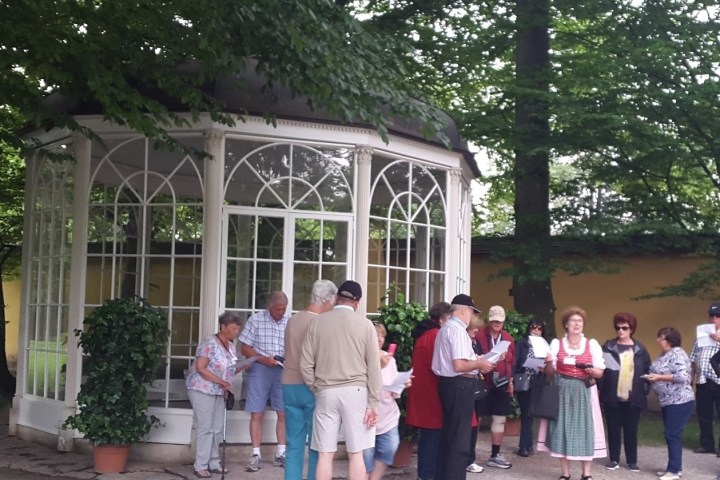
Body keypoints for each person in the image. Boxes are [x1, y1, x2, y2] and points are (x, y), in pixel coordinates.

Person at [299, 280, 382, 480]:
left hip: (326, 391)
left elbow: (305, 364)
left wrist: (315, 386)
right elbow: (374, 367)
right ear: (358, 302)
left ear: (337, 298)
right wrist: (373, 402)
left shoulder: (317, 322)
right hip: (356, 392)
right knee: (356, 454)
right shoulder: (365, 325)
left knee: (325, 454)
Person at [536, 306, 606, 480]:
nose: (577, 324)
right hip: (562, 389)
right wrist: (549, 363)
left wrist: (591, 371)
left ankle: (586, 474)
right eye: (573, 321)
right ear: (566, 324)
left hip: (584, 390)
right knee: (561, 428)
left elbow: (600, 372)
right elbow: (550, 373)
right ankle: (565, 473)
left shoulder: (591, 344)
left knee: (585, 429)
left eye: (580, 321)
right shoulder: (557, 344)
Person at [431, 294, 494, 480]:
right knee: (459, 440)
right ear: (465, 310)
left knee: (450, 436)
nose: (471, 316)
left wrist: (477, 361)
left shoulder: (445, 328)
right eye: (472, 312)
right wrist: (480, 364)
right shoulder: (458, 330)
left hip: (448, 384)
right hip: (460, 385)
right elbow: (459, 365)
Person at [282, 280, 337, 480]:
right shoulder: (319, 323)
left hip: (288, 383)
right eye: (333, 301)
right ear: (328, 299)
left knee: (294, 444)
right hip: (311, 386)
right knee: (317, 444)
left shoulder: (292, 320)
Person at [186, 312, 249, 479]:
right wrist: (221, 382)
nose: (237, 332)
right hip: (201, 388)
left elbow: (229, 369)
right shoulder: (209, 342)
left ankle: (213, 462)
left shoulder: (230, 346)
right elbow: (201, 368)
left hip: (219, 390)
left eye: (238, 329)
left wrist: (246, 364)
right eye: (234, 328)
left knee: (217, 428)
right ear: (223, 326)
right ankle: (200, 466)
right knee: (205, 427)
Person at [239, 291, 291, 472]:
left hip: (282, 370)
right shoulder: (256, 319)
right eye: (278, 309)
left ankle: (281, 453)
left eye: (284, 309)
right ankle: (255, 455)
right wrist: (262, 359)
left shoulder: (289, 321)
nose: (281, 312)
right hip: (260, 369)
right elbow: (244, 347)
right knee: (257, 412)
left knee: (283, 412)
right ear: (269, 306)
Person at [599, 312, 651, 472]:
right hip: (612, 396)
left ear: (632, 329)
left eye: (624, 328)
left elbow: (648, 371)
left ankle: (632, 461)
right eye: (617, 328)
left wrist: (644, 390)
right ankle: (614, 459)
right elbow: (601, 370)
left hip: (633, 397)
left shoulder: (640, 349)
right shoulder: (608, 347)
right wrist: (603, 389)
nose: (620, 331)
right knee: (613, 429)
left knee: (631, 430)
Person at [405, 301, 452, 480]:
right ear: (441, 319)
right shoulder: (436, 336)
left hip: (423, 391)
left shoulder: (424, 335)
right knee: (433, 438)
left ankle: (424, 474)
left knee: (428, 436)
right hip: (434, 392)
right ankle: (427, 475)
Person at [645, 327, 695, 480]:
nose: (658, 340)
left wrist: (659, 378)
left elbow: (683, 377)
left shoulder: (677, 353)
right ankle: (675, 468)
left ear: (670, 341)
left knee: (672, 434)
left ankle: (673, 471)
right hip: (668, 401)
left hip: (680, 400)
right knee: (672, 435)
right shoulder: (664, 355)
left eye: (661, 338)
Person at [363, 322, 411, 480]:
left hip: (388, 413)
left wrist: (402, 384)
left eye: (382, 335)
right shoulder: (361, 357)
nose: (379, 339)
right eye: (376, 335)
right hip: (367, 414)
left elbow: (393, 386)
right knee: (365, 456)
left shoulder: (389, 359)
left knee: (389, 448)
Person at [474, 305, 515, 469]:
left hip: (502, 383)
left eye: (500, 321)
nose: (497, 323)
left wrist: (510, 383)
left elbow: (512, 363)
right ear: (489, 321)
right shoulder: (479, 336)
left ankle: (495, 454)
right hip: (482, 382)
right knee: (477, 418)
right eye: (494, 321)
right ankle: (471, 455)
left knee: (500, 419)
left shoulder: (508, 339)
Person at [689, 301, 720, 455]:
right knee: (704, 415)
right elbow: (693, 358)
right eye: (712, 316)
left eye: (717, 316)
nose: (714, 319)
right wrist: (691, 378)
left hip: (719, 381)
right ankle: (707, 444)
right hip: (703, 380)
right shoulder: (701, 335)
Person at [514, 319, 546, 458]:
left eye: (539, 328)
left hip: (537, 381)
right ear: (529, 328)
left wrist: (544, 367)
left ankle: (527, 445)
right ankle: (524, 446)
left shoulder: (544, 344)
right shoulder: (522, 343)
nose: (536, 330)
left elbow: (549, 363)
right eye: (534, 327)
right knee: (525, 412)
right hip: (523, 379)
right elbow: (516, 361)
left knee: (531, 413)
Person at [465, 312, 487, 474]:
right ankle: (467, 459)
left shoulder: (474, 342)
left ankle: (470, 458)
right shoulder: (463, 342)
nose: (477, 332)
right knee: (467, 426)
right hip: (466, 387)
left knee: (474, 425)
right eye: (474, 328)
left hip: (476, 387)